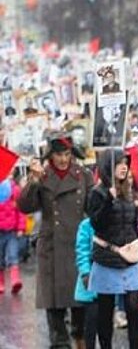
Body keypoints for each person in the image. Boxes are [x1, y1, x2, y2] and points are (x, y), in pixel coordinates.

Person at [18, 133, 93, 349]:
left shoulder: (83, 175)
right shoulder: (42, 175)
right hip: (52, 248)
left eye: (67, 154)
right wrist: (33, 182)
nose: (63, 159)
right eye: (59, 154)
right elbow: (24, 206)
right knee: (55, 308)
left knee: (81, 304)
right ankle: (59, 344)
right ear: (51, 155)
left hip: (78, 247)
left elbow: (93, 207)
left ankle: (80, 340)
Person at [86, 149, 138, 349]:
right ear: (107, 167)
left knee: (134, 309)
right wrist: (109, 200)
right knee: (106, 310)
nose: (124, 167)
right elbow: (96, 224)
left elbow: (133, 225)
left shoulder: (128, 189)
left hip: (130, 258)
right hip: (107, 258)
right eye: (119, 163)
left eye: (125, 163)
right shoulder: (97, 192)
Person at [75, 219, 99, 348]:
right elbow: (82, 251)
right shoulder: (86, 225)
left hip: (108, 281)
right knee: (89, 324)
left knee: (105, 325)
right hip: (89, 284)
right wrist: (85, 273)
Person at [0, 175, 25, 295]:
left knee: (13, 255)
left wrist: (21, 227)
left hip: (11, 230)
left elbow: (20, 210)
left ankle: (15, 280)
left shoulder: (14, 189)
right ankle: (0, 283)